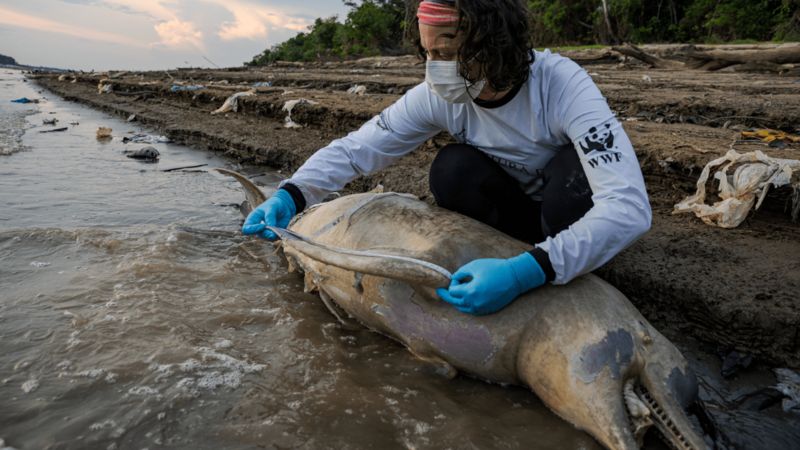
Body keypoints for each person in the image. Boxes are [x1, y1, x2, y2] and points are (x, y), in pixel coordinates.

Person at [243, 0, 651, 316]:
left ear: (494, 43)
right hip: (513, 217)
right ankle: (506, 260)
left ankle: (553, 264)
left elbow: (628, 208)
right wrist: (293, 194)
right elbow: (359, 148)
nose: (437, 69)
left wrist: (527, 272)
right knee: (452, 168)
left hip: (565, 212)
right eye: (429, 55)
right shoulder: (439, 96)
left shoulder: (562, 86)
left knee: (574, 173)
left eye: (450, 51)